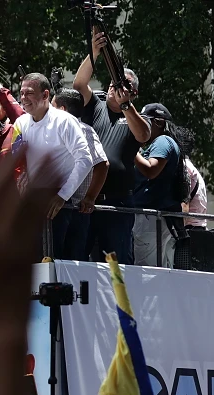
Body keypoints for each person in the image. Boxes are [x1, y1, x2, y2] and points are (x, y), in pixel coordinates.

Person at [73, 30, 151, 264]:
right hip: (86, 198)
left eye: (121, 84)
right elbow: (78, 84)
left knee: (116, 266)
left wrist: (126, 105)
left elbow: (144, 134)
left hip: (117, 204)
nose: (113, 87)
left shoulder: (135, 117)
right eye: (112, 82)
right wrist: (95, 51)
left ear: (133, 92)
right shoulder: (95, 105)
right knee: (78, 258)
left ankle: (120, 303)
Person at [11, 73, 93, 259]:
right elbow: (15, 160)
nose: (23, 98)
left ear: (45, 94)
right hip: (30, 201)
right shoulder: (20, 123)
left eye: (29, 93)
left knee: (52, 264)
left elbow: (85, 160)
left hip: (55, 205)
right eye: (22, 93)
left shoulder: (64, 121)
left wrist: (62, 195)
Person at [51, 88, 110, 260]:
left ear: (62, 110)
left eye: (51, 106)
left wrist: (90, 197)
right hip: (61, 209)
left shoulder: (83, 130)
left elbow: (102, 164)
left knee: (65, 263)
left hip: (75, 210)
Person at [132, 103, 183, 268]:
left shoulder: (162, 141)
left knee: (147, 272)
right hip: (155, 220)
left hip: (151, 221)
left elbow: (150, 170)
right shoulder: (163, 142)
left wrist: (131, 148)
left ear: (159, 122)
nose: (139, 124)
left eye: (144, 120)